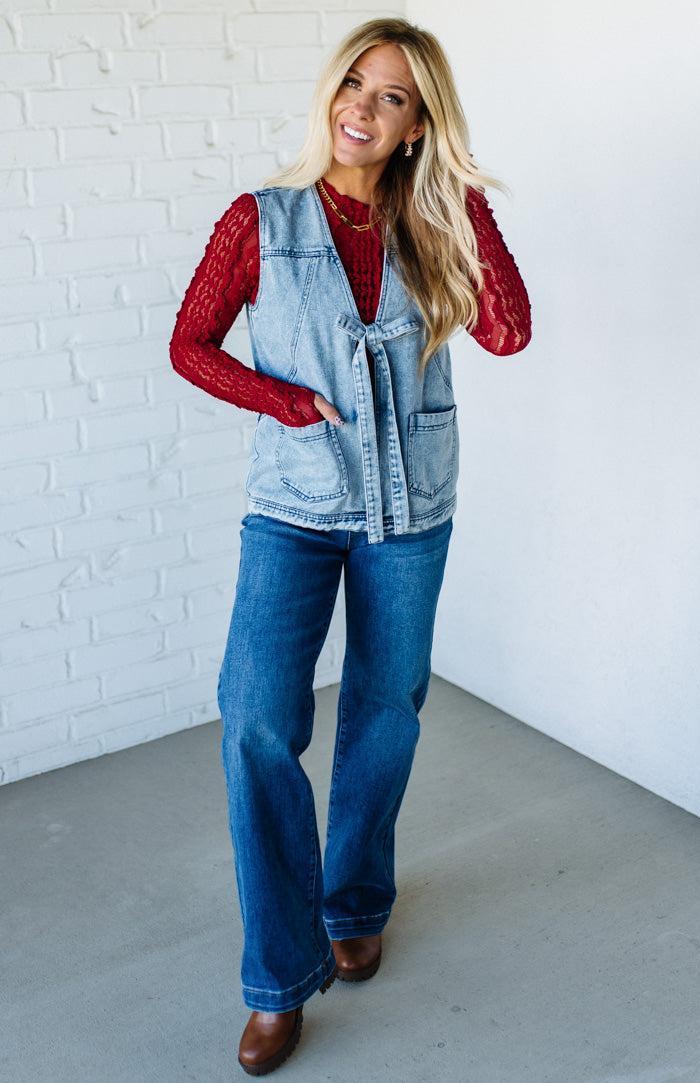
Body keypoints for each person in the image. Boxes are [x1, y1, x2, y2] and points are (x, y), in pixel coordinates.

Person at [169, 15, 531, 1075]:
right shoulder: (260, 219)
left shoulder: (435, 222)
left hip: (410, 509)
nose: (362, 110)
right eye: (355, 85)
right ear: (332, 90)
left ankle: (355, 901)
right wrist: (280, 400)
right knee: (256, 719)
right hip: (292, 508)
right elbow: (189, 345)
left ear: (420, 125)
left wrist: (463, 199)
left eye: (393, 99)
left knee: (384, 711)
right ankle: (277, 977)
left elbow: (507, 332)